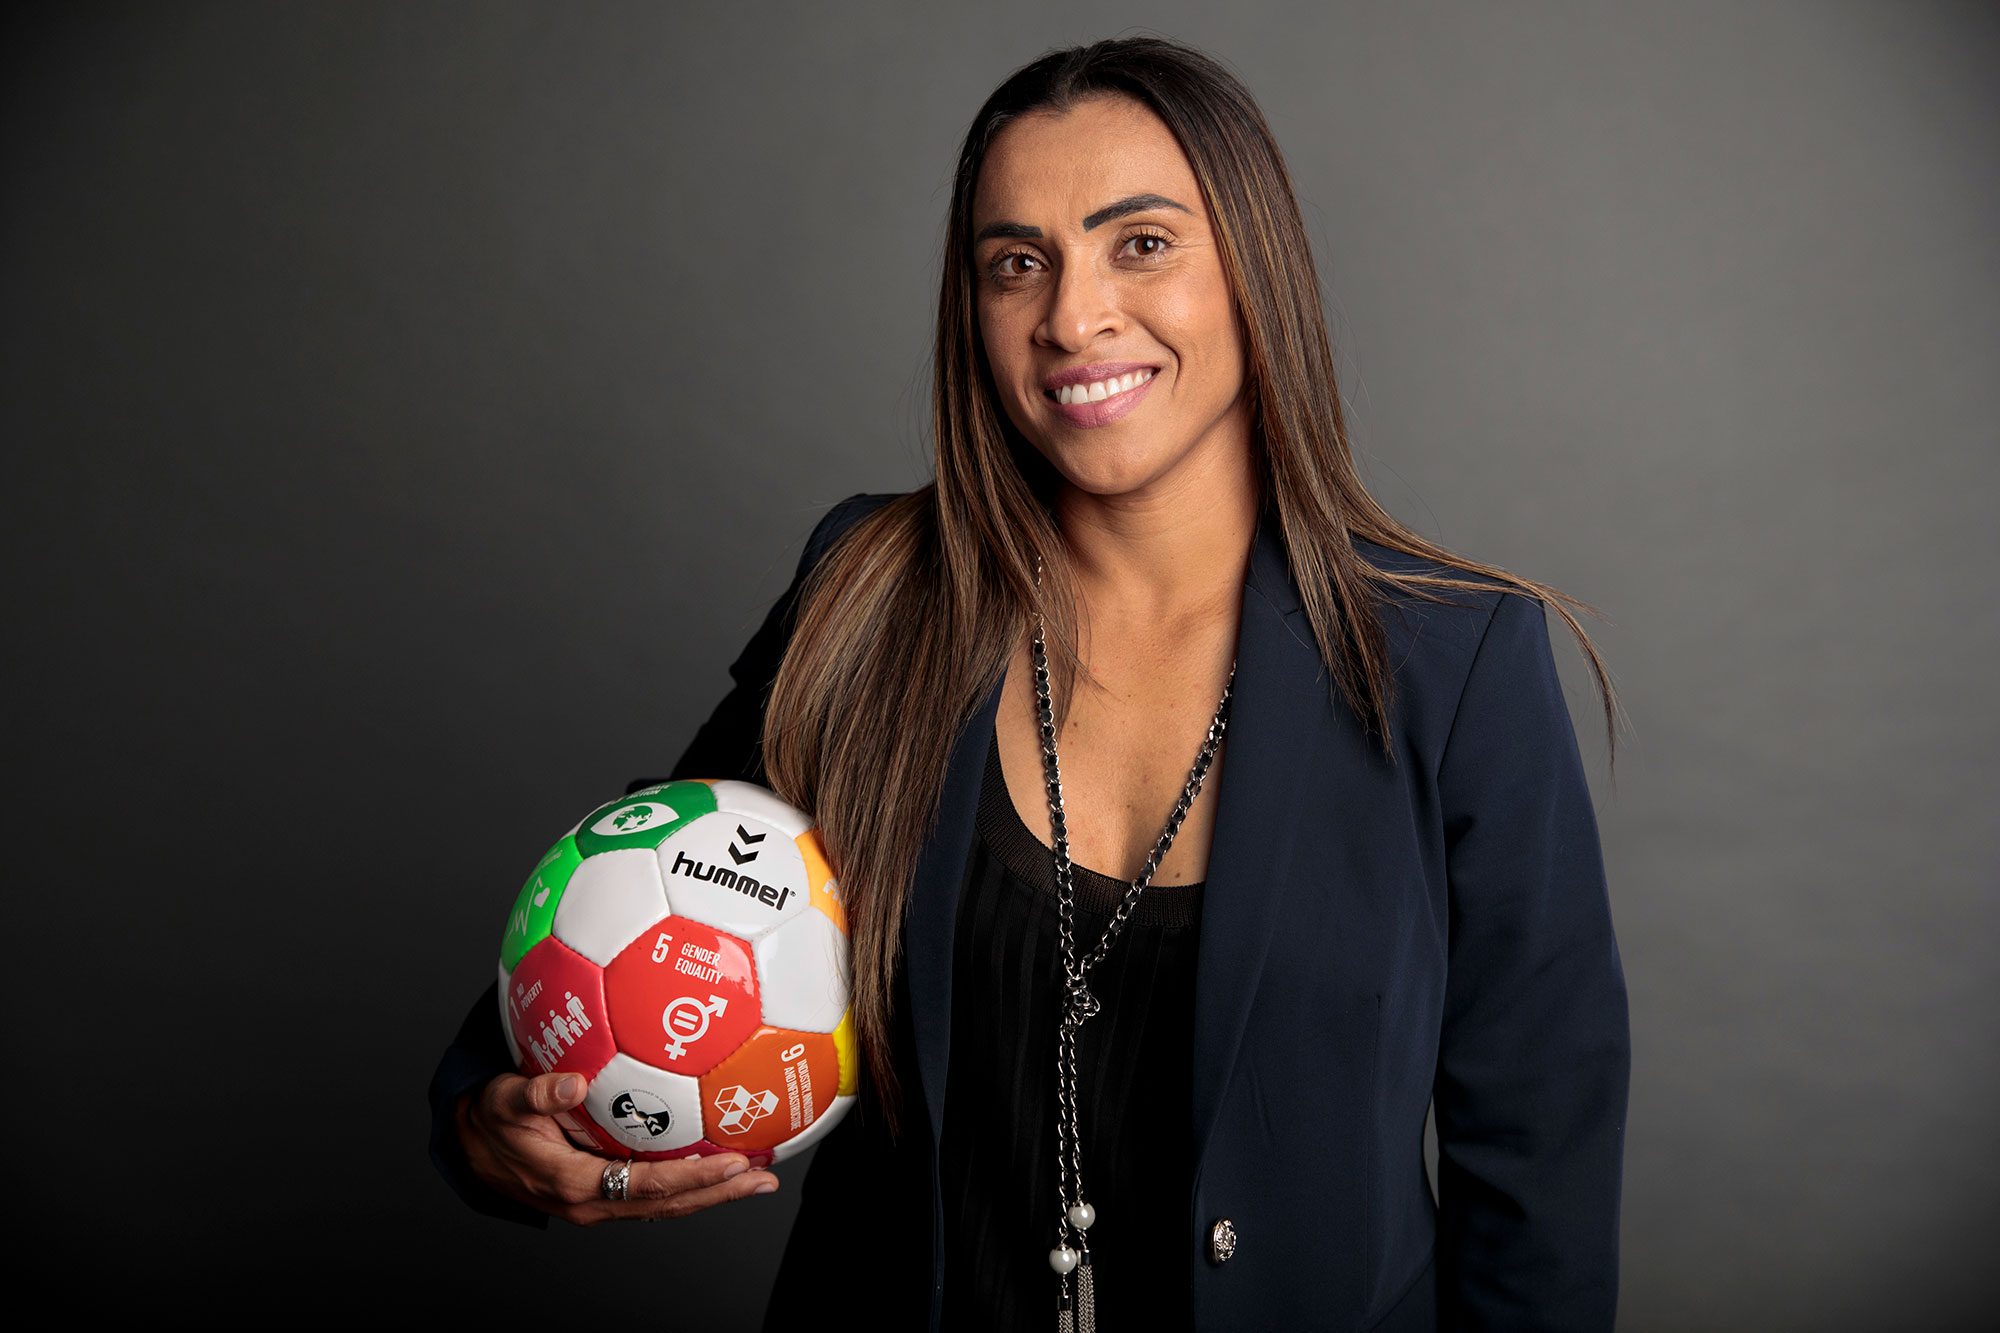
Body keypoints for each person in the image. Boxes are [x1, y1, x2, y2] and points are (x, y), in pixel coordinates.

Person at [428, 36, 1630, 1332]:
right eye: (1017, 263)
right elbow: (635, 894)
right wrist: (494, 1120)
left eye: (1141, 244)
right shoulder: (870, 594)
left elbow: (1538, 1183)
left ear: (1254, 268)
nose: (1071, 316)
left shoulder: (1461, 664)